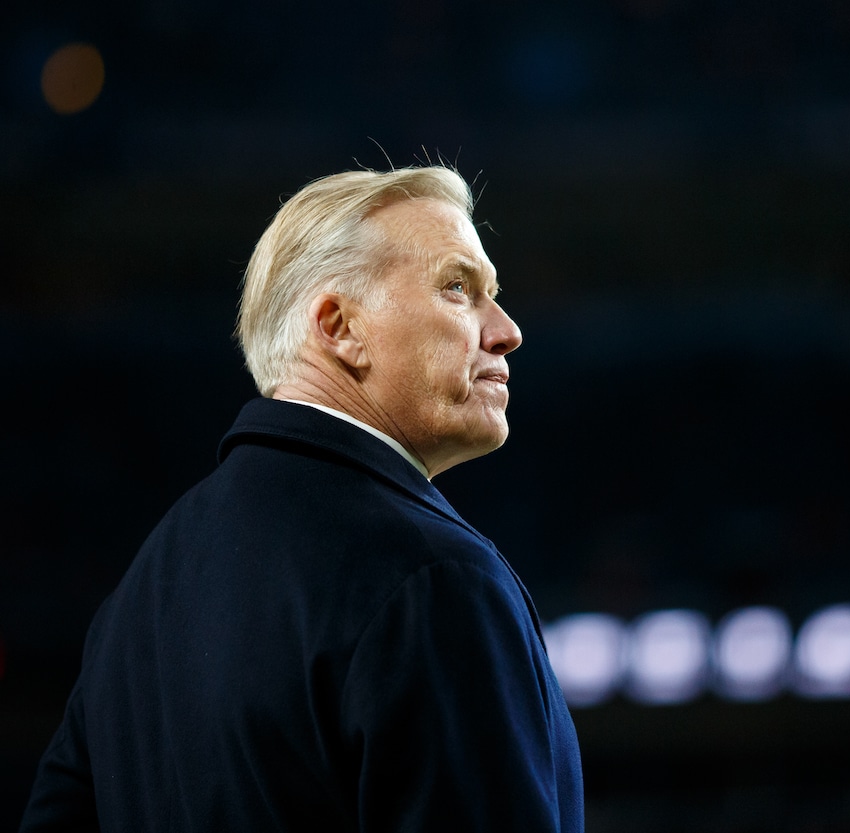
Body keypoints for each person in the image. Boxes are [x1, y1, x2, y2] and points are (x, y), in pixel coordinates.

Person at [19, 164, 584, 832]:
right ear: (340, 326)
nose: (506, 328)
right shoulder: (432, 578)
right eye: (458, 287)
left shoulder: (139, 597)